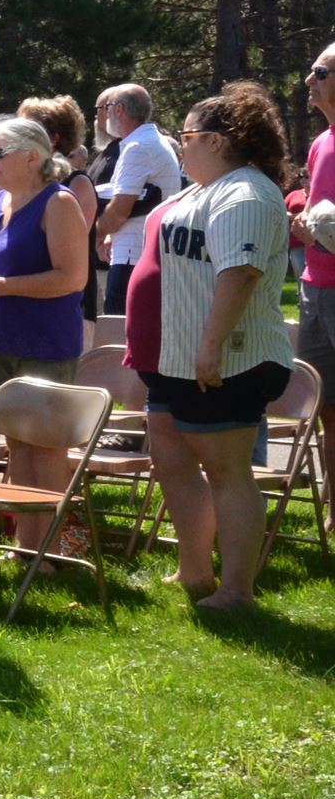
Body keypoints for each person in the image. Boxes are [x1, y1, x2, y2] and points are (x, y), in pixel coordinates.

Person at [139, 83, 296, 611]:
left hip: (230, 356)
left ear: (214, 139)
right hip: (176, 357)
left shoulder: (246, 193)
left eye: (184, 135)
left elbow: (241, 273)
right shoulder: (199, 191)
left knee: (228, 473)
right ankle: (195, 570)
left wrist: (211, 347)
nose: (178, 146)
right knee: (171, 459)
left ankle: (237, 591)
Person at [0, 114, 91, 554]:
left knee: (47, 445)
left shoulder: (59, 202)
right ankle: (26, 544)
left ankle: (52, 550)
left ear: (32, 156)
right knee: (17, 442)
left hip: (44, 337)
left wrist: (3, 287)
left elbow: (72, 278)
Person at [288, 44, 335, 498]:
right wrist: (305, 221)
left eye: (320, 71)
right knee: (326, 406)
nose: (309, 80)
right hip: (314, 287)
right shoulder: (322, 141)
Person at [93, 83, 181, 314]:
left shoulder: (137, 147)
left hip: (134, 255)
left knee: (118, 325)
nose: (104, 114)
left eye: (107, 107)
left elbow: (120, 210)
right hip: (144, 250)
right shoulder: (151, 141)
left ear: (119, 109)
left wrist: (95, 236)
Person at [18, 96, 101, 316]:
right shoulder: (20, 186)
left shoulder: (77, 184)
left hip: (66, 310)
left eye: (26, 131)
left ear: (53, 139)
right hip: (22, 305)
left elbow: (69, 255)